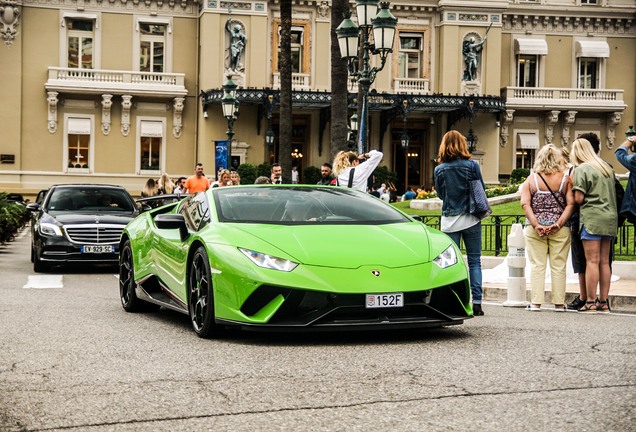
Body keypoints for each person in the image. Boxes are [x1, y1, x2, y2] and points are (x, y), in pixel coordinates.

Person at [433, 130, 486, 316]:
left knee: (449, 262)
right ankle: (477, 302)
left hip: (449, 220)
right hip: (471, 218)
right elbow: (481, 189)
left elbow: (441, 194)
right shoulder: (472, 166)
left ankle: (451, 300)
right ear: (463, 144)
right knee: (474, 261)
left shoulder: (439, 169)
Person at [520, 144, 575, 312]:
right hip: (560, 227)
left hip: (535, 227)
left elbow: (525, 203)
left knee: (537, 265)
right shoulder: (566, 179)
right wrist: (558, 224)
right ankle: (559, 303)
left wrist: (536, 224)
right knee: (559, 265)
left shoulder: (532, 179)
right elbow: (570, 204)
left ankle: (536, 303)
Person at [567, 133, 617, 310]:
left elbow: (579, 198)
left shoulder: (582, 169)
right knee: (605, 261)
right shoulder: (606, 168)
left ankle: (590, 301)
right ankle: (603, 302)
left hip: (592, 219)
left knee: (592, 261)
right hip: (609, 218)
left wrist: (571, 186)